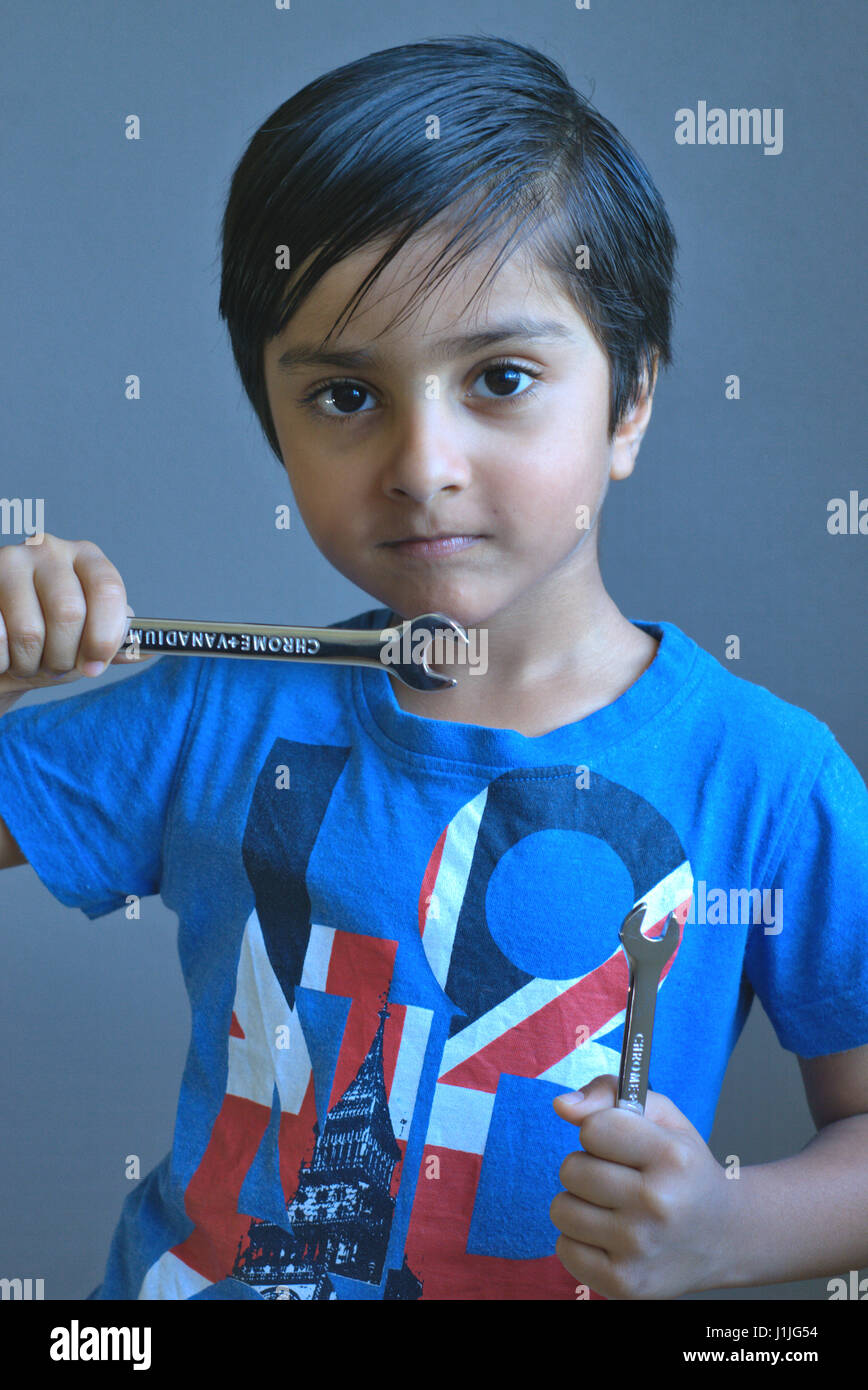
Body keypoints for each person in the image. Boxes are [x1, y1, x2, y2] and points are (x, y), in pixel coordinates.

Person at [0, 34, 866, 1303]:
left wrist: (730, 1232)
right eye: (345, 396)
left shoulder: (769, 778)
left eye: (501, 379)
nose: (422, 461)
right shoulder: (209, 714)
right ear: (275, 424)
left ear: (628, 403)